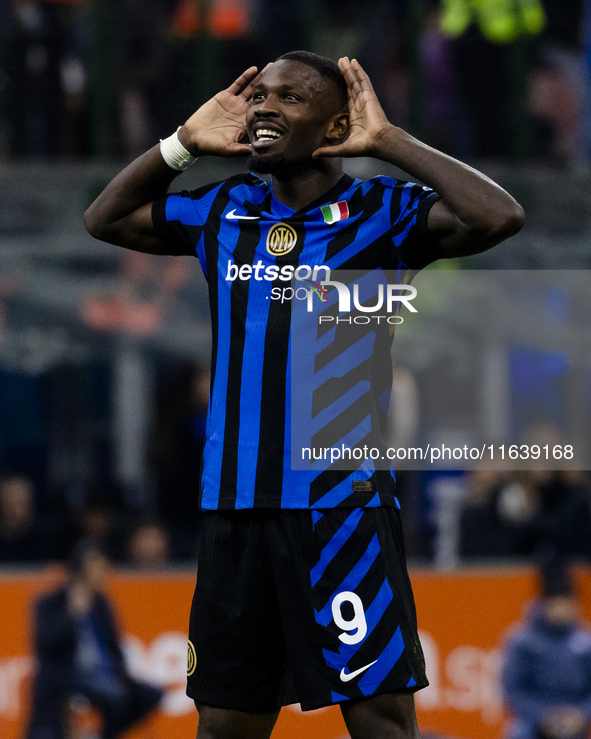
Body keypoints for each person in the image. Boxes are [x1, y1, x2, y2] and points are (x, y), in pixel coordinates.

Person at [84, 51, 524, 738]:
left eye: (289, 98)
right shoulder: (223, 208)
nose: (263, 107)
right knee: (225, 725)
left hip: (341, 512)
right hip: (234, 510)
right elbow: (104, 220)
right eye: (258, 94)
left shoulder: (384, 214)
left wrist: (389, 142)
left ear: (334, 125)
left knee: (380, 721)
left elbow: (497, 216)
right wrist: (179, 144)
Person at [26, 541, 163, 739]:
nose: (101, 574)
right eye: (96, 568)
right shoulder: (51, 602)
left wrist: (125, 675)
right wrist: (72, 614)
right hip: (65, 674)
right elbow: (44, 643)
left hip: (100, 674)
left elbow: (113, 645)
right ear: (80, 569)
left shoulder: (101, 603)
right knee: (111, 695)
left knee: (147, 695)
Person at [502, 556, 591, 739]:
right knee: (518, 732)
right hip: (534, 720)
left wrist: (580, 714)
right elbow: (512, 690)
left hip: (575, 718)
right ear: (544, 605)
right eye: (557, 603)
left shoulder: (585, 642)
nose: (562, 609)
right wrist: (541, 716)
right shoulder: (523, 641)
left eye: (567, 603)